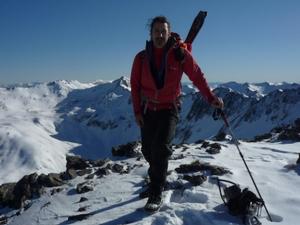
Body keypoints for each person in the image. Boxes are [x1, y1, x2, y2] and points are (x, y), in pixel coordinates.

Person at [130, 16, 223, 211]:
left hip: (169, 109)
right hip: (148, 110)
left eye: (163, 31)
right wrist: (137, 111)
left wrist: (210, 97)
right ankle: (156, 173)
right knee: (148, 150)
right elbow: (135, 86)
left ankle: (156, 191)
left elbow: (197, 76)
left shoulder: (180, 54)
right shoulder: (141, 58)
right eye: (156, 31)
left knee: (161, 149)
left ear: (169, 32)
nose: (160, 35)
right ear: (150, 33)